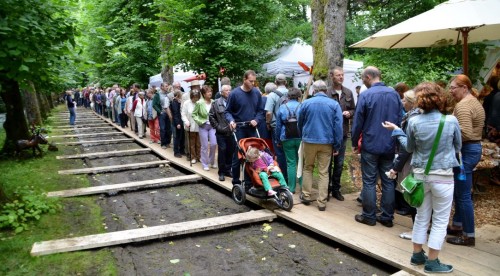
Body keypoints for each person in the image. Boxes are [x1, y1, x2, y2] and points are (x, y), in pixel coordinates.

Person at [383, 82, 461, 273]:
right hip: (442, 177)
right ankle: (432, 262)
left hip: (419, 176)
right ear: (440, 98)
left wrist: (397, 132)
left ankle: (417, 254)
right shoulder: (450, 121)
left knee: (421, 217)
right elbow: (458, 146)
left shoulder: (414, 122)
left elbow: (408, 148)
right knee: (440, 220)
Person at [352, 66, 403, 227]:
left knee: (369, 181)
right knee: (388, 180)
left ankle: (369, 215)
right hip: (389, 144)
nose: (363, 82)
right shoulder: (394, 94)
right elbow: (401, 119)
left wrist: (354, 142)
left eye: (362, 79)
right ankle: (387, 217)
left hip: (371, 143)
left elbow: (358, 121)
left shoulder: (366, 95)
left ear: (368, 77)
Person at [446, 74, 485, 247]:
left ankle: (468, 235)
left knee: (463, 195)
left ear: (464, 87)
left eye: (453, 87)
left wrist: (446, 138)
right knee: (461, 192)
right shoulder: (474, 101)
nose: (451, 91)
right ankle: (458, 225)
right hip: (473, 149)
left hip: (466, 152)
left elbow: (466, 133)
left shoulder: (462, 106)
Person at [298, 80, 343, 211]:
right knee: (324, 172)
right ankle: (322, 202)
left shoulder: (306, 103)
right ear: (325, 90)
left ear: (314, 90)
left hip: (309, 140)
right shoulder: (334, 104)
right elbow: (338, 127)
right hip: (326, 142)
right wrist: (337, 144)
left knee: (308, 168)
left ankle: (306, 196)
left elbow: (300, 122)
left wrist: (303, 135)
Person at [387, 90, 422, 239]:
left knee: (413, 194)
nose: (402, 102)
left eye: (404, 100)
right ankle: (422, 229)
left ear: (411, 102)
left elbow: (407, 147)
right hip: (422, 162)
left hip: (412, 162)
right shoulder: (420, 116)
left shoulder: (412, 119)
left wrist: (396, 167)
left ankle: (416, 231)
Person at [225, 70, 264, 185]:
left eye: (254, 81)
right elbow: (227, 111)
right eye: (250, 81)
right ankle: (236, 181)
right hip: (239, 128)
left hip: (252, 128)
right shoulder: (234, 94)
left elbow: (261, 111)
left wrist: (256, 120)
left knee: (252, 154)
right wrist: (231, 121)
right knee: (238, 155)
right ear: (244, 80)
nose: (253, 83)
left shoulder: (256, 93)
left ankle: (249, 181)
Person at [326, 66, 356, 201]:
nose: (341, 77)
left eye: (342, 75)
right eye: (338, 75)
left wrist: (349, 113)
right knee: (326, 163)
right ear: (332, 76)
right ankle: (325, 189)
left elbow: (354, 110)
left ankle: (336, 189)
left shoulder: (348, 93)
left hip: (343, 133)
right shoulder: (326, 93)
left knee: (339, 163)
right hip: (328, 134)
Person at [275, 87, 302, 193]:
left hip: (286, 138)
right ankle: (303, 187)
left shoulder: (282, 107)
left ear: (288, 96)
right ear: (298, 96)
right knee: (301, 163)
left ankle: (291, 188)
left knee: (290, 163)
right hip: (300, 138)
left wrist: (278, 140)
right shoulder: (302, 106)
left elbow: (277, 126)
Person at [264, 74, 289, 181]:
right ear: (286, 82)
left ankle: (283, 176)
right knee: (290, 152)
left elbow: (269, 112)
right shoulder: (291, 93)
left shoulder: (272, 95)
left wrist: (268, 123)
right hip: (291, 127)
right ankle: (291, 175)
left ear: (275, 82)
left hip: (276, 127)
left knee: (279, 152)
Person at [209, 84, 234, 181]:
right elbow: (211, 116)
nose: (228, 92)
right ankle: (222, 172)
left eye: (229, 90)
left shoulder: (233, 102)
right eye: (226, 90)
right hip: (221, 132)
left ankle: (228, 170)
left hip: (232, 131)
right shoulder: (216, 103)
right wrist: (218, 127)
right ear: (221, 92)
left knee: (230, 151)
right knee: (222, 151)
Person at [192, 85, 217, 171]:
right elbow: (194, 114)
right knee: (205, 146)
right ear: (203, 94)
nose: (210, 93)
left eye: (211, 91)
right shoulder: (199, 103)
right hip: (203, 126)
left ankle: (212, 161)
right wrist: (199, 121)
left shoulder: (214, 102)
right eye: (208, 92)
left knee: (213, 144)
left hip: (212, 126)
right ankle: (205, 163)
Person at [182, 90, 201, 164]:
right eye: (194, 97)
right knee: (191, 143)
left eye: (197, 97)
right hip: (190, 125)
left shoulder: (200, 103)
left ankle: (199, 156)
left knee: (199, 143)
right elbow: (183, 114)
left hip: (199, 125)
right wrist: (186, 121)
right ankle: (193, 157)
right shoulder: (186, 103)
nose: (195, 99)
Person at [155, 82, 173, 149]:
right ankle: (163, 143)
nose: (167, 87)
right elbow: (154, 104)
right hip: (162, 114)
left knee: (169, 129)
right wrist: (160, 112)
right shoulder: (158, 94)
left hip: (168, 113)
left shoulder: (168, 94)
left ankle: (168, 142)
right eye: (166, 86)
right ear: (161, 87)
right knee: (163, 129)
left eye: (167, 86)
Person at [170, 90, 185, 158]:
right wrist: (178, 123)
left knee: (181, 137)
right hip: (177, 122)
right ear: (178, 96)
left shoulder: (177, 102)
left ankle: (181, 150)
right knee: (177, 137)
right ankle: (176, 152)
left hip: (180, 121)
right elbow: (175, 114)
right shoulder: (174, 103)